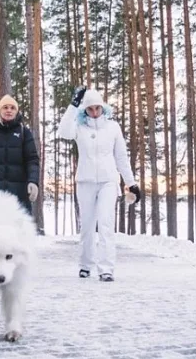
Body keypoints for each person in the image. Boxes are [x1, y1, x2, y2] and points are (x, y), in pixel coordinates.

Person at [57, 87, 141, 282]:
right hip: (85, 181)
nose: (94, 112)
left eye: (97, 108)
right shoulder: (78, 127)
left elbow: (121, 156)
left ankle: (106, 269)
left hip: (108, 182)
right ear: (84, 110)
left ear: (103, 107)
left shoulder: (113, 128)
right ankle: (85, 265)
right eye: (89, 109)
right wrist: (73, 105)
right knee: (87, 225)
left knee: (105, 223)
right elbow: (63, 132)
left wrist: (131, 182)